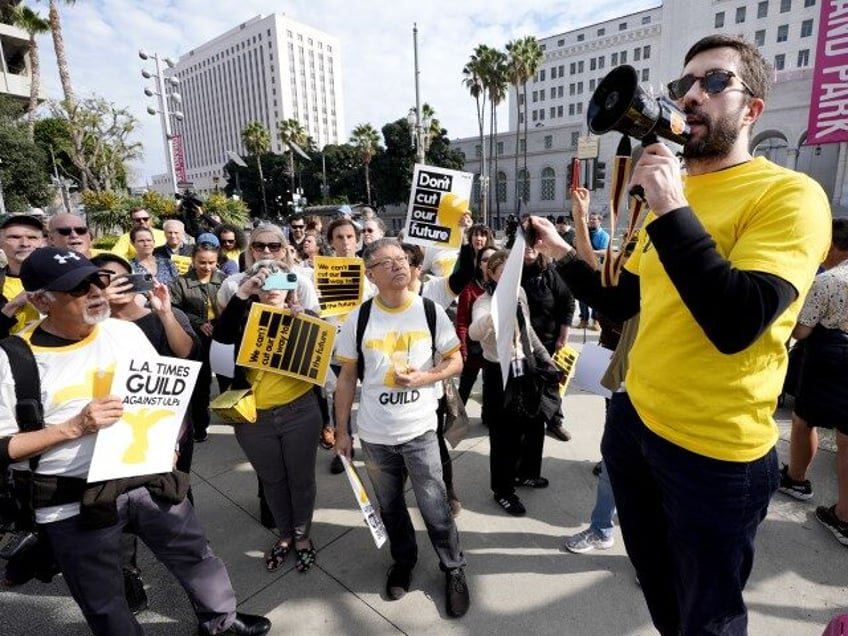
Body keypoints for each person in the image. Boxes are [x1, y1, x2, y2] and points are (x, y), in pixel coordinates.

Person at [530, 34, 831, 635]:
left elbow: (737, 322)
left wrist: (670, 206)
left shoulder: (789, 195)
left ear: (752, 110)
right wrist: (564, 254)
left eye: (714, 82)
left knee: (710, 616)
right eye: (683, 85)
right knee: (663, 590)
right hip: (635, 426)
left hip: (714, 457)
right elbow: (626, 300)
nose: (692, 95)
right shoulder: (675, 195)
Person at [0, 246, 270, 636]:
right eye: (77, 289)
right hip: (72, 500)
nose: (95, 292)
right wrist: (72, 428)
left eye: (97, 280)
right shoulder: (13, 360)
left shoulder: (123, 332)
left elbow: (163, 395)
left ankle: (221, 622)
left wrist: (171, 439)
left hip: (147, 478)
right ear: (42, 301)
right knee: (103, 597)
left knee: (195, 555)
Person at [333, 237, 469, 618]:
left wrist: (426, 377)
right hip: (375, 437)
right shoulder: (358, 318)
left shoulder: (429, 311)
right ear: (370, 273)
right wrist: (342, 431)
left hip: (420, 431)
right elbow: (346, 378)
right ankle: (404, 562)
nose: (398, 266)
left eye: (402, 259)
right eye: (386, 261)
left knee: (436, 507)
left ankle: (453, 569)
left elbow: (455, 361)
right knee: (391, 508)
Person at [91, 251, 199, 612]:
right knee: (118, 511)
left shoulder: (161, 315)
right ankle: (128, 572)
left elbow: (184, 353)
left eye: (120, 278)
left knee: (174, 496)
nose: (113, 286)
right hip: (110, 435)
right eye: (102, 279)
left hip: (167, 430)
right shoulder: (91, 327)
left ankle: (191, 565)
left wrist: (165, 312)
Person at [213, 260, 323, 573]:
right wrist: (244, 292)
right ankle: (285, 535)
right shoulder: (242, 318)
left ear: (292, 284)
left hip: (300, 412)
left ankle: (302, 537)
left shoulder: (306, 316)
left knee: (301, 480)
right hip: (253, 417)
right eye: (265, 281)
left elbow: (325, 355)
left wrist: (305, 323)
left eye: (281, 280)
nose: (273, 289)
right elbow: (219, 342)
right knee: (272, 481)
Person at [469, 249, 556, 517]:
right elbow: (474, 332)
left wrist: (544, 357)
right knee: (504, 436)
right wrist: (498, 313)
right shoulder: (484, 303)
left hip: (526, 367)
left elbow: (527, 328)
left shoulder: (520, 294)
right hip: (500, 372)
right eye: (503, 273)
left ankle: (525, 474)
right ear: (492, 275)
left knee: (532, 424)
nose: (509, 278)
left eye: (513, 272)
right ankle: (503, 491)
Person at [778, 218, 848, 546]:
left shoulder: (828, 281)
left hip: (830, 360)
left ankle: (797, 480)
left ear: (832, 246)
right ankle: (844, 516)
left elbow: (801, 331)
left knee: (804, 420)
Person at [169, 243, 228, 443]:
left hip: (221, 335)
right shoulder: (180, 283)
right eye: (202, 262)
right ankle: (200, 427)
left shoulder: (224, 281)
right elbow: (173, 309)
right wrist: (197, 322)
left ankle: (231, 414)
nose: (207, 267)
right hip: (196, 337)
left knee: (226, 377)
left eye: (211, 262)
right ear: (193, 261)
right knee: (201, 384)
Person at [521, 241, 575, 442]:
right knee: (524, 384)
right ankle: (527, 422)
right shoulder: (511, 272)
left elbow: (568, 302)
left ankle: (554, 422)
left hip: (549, 341)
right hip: (519, 342)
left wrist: (564, 335)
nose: (529, 247)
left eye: (533, 242)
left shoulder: (551, 272)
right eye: (525, 242)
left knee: (551, 385)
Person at [455, 246, 497, 406]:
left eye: (494, 259)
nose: (489, 263)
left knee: (490, 386)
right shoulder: (470, 289)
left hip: (494, 350)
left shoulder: (504, 287)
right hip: (474, 349)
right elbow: (462, 322)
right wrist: (463, 349)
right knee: (465, 386)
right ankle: (456, 419)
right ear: (479, 264)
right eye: (485, 260)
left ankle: (488, 416)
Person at [0, 214, 45, 338]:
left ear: (43, 242)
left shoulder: (63, 275)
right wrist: (13, 304)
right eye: (14, 237)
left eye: (32, 237)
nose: (25, 243)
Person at [575, 212, 609, 331]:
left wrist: (589, 252)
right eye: (590, 219)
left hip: (597, 268)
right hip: (583, 268)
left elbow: (605, 251)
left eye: (594, 219)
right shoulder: (585, 233)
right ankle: (583, 319)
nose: (591, 221)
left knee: (596, 295)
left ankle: (596, 320)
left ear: (599, 221)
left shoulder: (604, 235)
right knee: (582, 295)